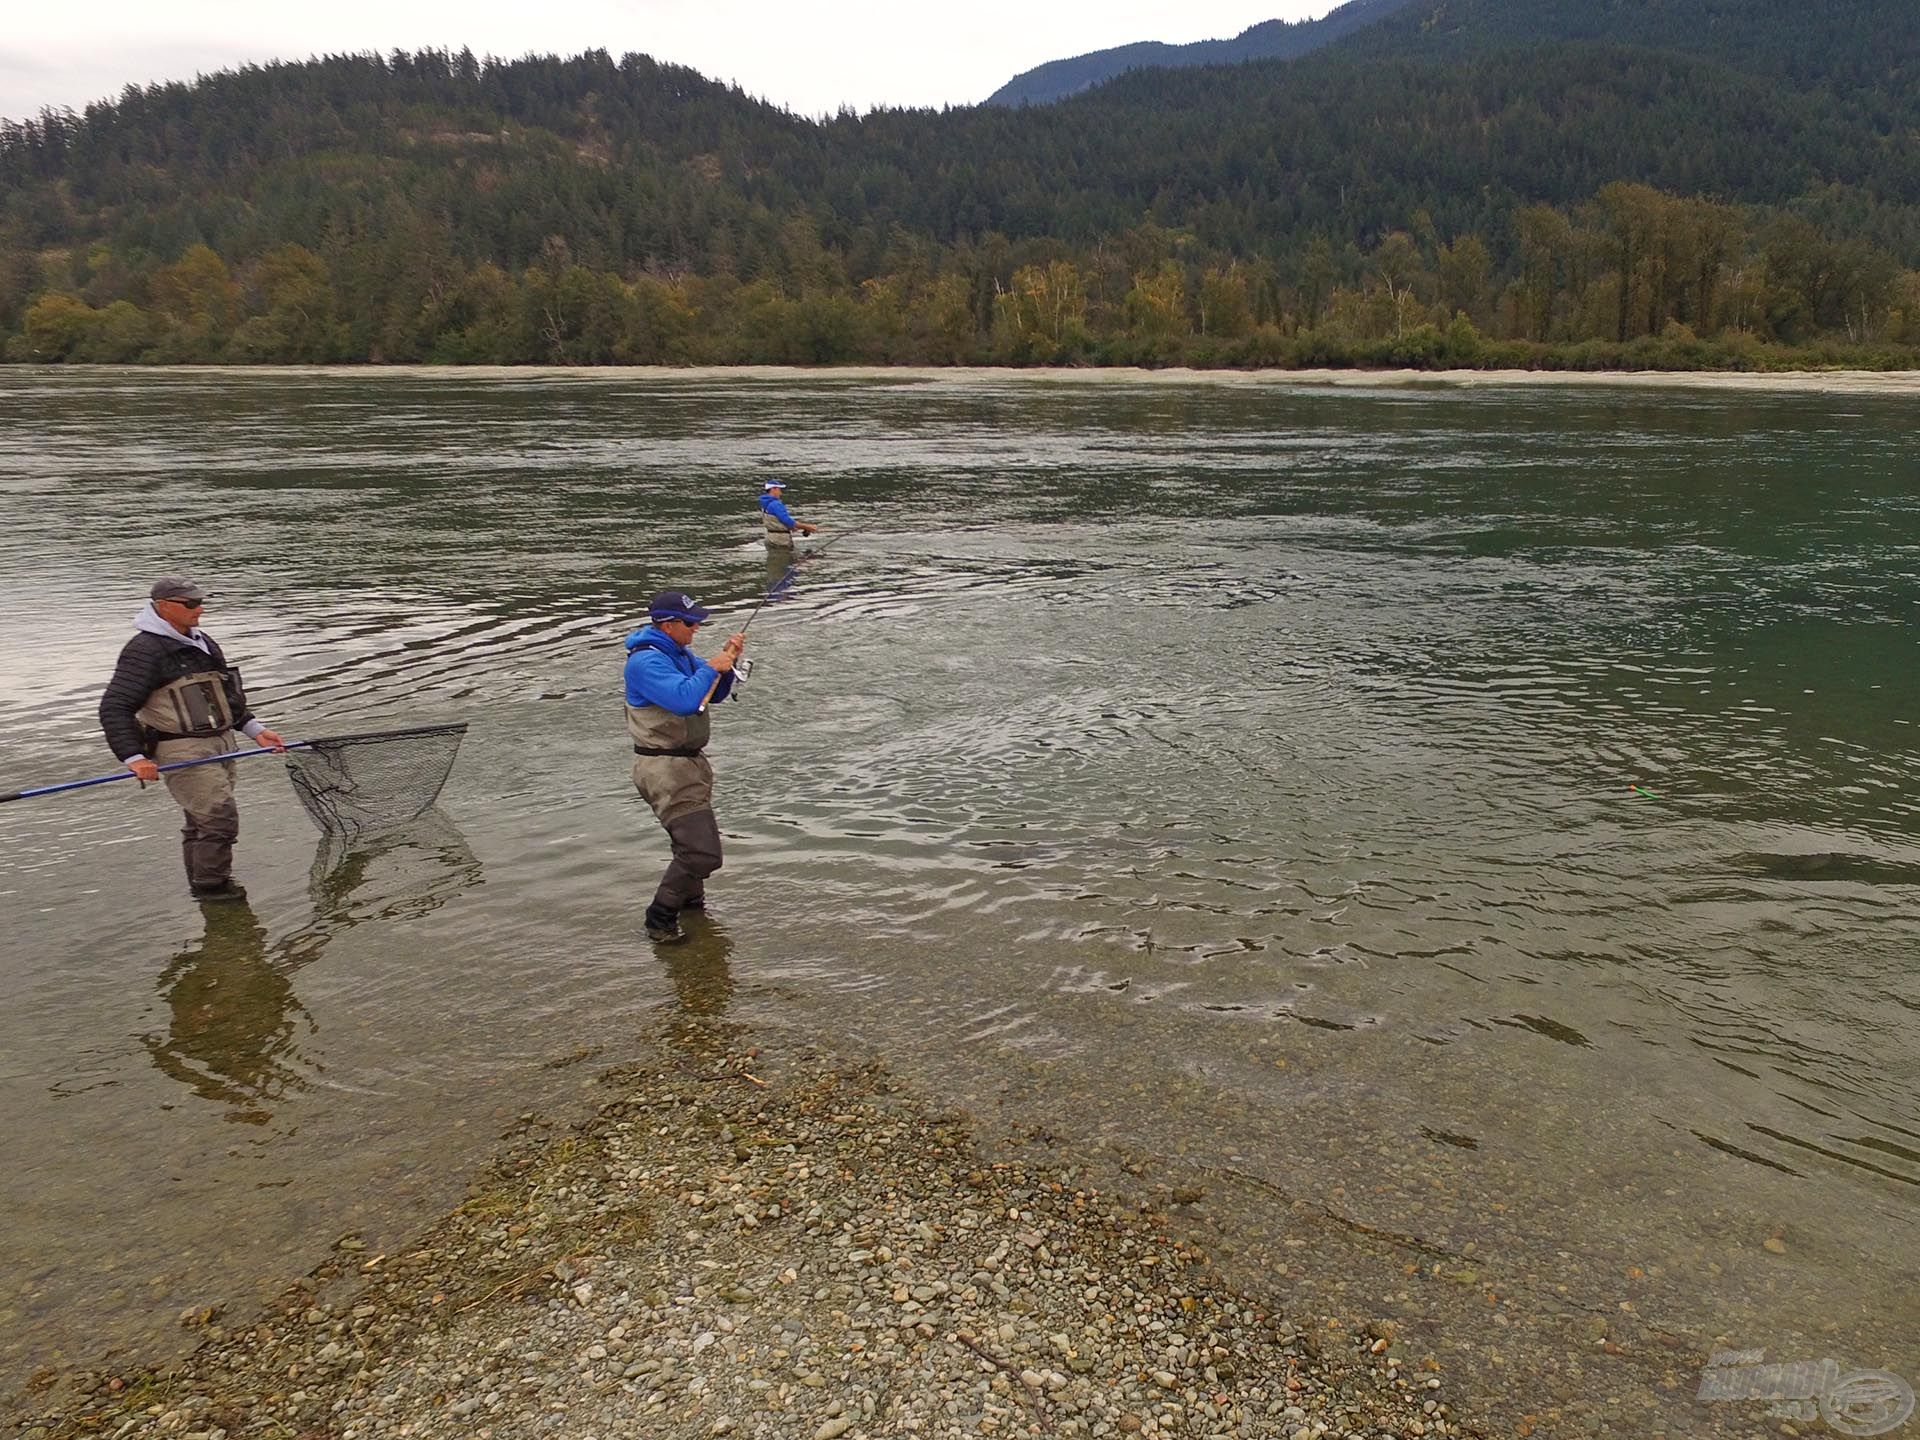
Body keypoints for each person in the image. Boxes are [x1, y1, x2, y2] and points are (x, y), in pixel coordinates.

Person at [98, 577, 286, 901]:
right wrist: (135, 758)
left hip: (220, 743)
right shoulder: (144, 651)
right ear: (162, 607)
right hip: (181, 748)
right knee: (219, 821)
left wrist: (256, 730)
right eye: (190, 604)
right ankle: (215, 892)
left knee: (201, 820)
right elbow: (114, 707)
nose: (199, 609)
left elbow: (224, 696)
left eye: (200, 602)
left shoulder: (202, 641)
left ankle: (203, 884)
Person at [624, 589, 746, 943]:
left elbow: (713, 696)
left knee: (691, 846)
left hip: (687, 765)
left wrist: (727, 661)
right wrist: (711, 666)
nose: (695, 629)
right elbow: (684, 700)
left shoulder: (678, 653)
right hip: (664, 769)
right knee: (702, 853)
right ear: (668, 624)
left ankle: (691, 907)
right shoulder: (646, 662)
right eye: (691, 623)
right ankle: (659, 918)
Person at [757, 479, 818, 550]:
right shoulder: (776, 504)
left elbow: (778, 520)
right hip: (780, 541)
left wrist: (792, 527)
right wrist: (807, 527)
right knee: (785, 560)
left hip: (770, 538)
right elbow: (787, 520)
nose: (780, 492)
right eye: (779, 489)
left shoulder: (765, 503)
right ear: (773, 489)